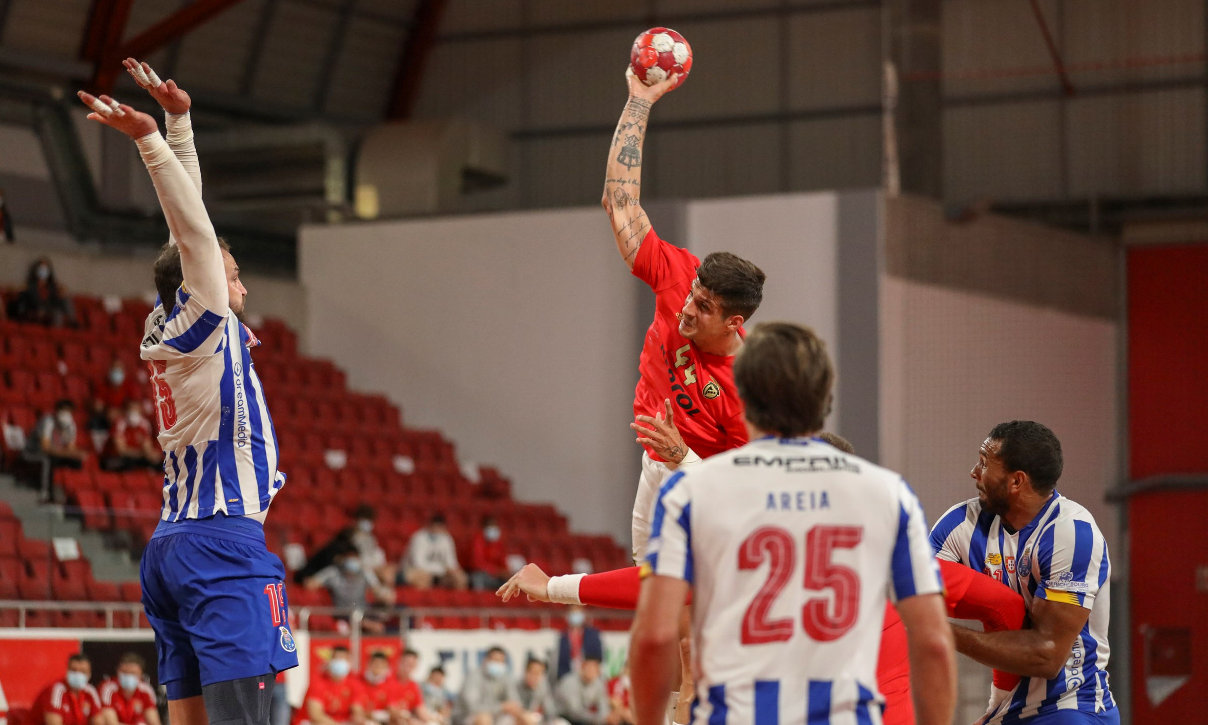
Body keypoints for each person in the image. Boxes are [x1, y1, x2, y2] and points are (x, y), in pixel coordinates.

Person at [77, 57, 297, 725]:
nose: (241, 288)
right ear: (203, 283)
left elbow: (186, 229)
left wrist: (180, 124)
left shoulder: (169, 318)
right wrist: (153, 138)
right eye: (232, 276)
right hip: (220, 544)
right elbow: (195, 235)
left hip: (171, 546)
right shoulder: (205, 321)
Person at [630, 322, 956, 725]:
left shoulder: (690, 492)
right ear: (826, 399)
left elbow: (654, 637)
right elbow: (934, 644)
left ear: (742, 397)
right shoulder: (888, 494)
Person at [600, 69, 767, 562]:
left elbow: (749, 489)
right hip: (656, 465)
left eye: (705, 308)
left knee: (694, 618)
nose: (687, 310)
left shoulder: (751, 389)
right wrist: (639, 99)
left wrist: (683, 456)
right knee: (656, 605)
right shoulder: (679, 277)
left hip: (707, 489)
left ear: (735, 323)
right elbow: (621, 201)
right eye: (693, 295)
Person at [930, 421, 1118, 724]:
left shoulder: (1071, 534)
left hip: (1069, 707)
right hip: (1006, 709)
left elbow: (1047, 656)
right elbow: (916, 594)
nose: (974, 472)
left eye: (983, 463)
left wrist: (935, 630)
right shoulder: (961, 522)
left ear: (1016, 481)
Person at [304, 545, 396, 634]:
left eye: (354, 557)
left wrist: (386, 593)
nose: (352, 561)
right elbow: (310, 583)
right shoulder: (333, 572)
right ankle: (368, 625)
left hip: (363, 611)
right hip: (342, 613)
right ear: (342, 559)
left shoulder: (364, 572)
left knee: (396, 612)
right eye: (349, 558)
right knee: (369, 624)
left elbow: (378, 590)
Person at [359, 651, 432, 725]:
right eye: (407, 663)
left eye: (412, 664)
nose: (409, 666)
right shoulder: (386, 680)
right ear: (399, 662)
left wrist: (432, 720)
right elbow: (390, 708)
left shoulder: (413, 685)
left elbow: (420, 709)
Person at [458, 648, 525, 725]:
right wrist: (501, 707)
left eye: (501, 661)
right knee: (484, 718)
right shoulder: (474, 676)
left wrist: (514, 707)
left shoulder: (505, 677)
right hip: (467, 716)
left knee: (524, 717)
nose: (498, 664)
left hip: (496, 715)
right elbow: (472, 707)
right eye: (496, 660)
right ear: (486, 660)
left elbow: (514, 701)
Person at [31, 653, 104, 725]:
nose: (78, 674)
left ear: (89, 674)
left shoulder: (90, 692)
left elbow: (98, 722)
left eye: (83, 671)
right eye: (74, 670)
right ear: (67, 671)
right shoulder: (56, 690)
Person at [303, 647, 367, 725]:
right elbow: (316, 715)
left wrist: (358, 717)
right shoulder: (318, 681)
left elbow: (357, 710)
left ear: (349, 662)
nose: (340, 662)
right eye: (337, 658)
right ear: (329, 661)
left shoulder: (354, 682)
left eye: (343, 659)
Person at [403, 514, 468, 590]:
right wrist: (443, 569)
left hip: (440, 574)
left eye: (439, 527)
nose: (437, 529)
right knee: (423, 578)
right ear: (429, 525)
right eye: (435, 527)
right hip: (417, 572)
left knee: (460, 578)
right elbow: (418, 564)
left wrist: (452, 571)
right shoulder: (419, 537)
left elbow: (452, 563)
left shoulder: (447, 538)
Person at [9, 257, 75, 327]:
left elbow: (58, 297)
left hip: (49, 309)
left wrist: (61, 291)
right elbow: (17, 291)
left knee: (60, 309)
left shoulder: (53, 286)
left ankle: (72, 321)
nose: (43, 271)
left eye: (45, 269)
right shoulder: (31, 286)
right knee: (48, 312)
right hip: (36, 309)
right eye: (41, 268)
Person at [98, 653, 161, 725]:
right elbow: (111, 723)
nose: (128, 676)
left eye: (133, 673)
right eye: (124, 672)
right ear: (117, 671)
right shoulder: (108, 689)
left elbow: (154, 722)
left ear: (141, 675)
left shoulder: (146, 691)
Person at [104, 399, 162, 472]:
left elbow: (147, 447)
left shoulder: (144, 424)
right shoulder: (119, 424)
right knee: (128, 463)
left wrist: (151, 455)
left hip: (135, 458)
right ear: (125, 411)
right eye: (131, 409)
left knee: (158, 463)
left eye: (135, 409)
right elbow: (121, 451)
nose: (133, 412)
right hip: (115, 458)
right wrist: (142, 454)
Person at [554, 657, 609, 725]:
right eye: (588, 669)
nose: (591, 672)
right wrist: (596, 719)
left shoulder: (598, 683)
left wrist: (603, 718)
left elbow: (604, 706)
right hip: (562, 716)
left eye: (594, 670)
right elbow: (574, 712)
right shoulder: (570, 682)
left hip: (584, 718)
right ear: (582, 669)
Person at [351, 504, 395, 585]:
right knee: (384, 575)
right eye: (365, 519)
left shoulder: (371, 538)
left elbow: (377, 554)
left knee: (391, 570)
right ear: (357, 520)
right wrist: (374, 568)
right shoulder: (352, 538)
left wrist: (380, 566)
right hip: (362, 569)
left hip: (375, 567)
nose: (368, 523)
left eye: (370, 520)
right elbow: (356, 559)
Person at [555, 606, 602, 681]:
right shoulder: (563, 636)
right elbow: (560, 661)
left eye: (578, 613)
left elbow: (598, 657)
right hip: (568, 674)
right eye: (573, 613)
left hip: (588, 672)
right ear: (568, 616)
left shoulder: (593, 634)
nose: (576, 616)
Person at [468, 516, 508, 591]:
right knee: (477, 577)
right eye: (490, 526)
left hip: (496, 576)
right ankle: (479, 600)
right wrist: (496, 571)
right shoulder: (477, 540)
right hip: (481, 574)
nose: (493, 529)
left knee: (511, 580)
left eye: (495, 526)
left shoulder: (498, 542)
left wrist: (505, 571)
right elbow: (477, 564)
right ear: (484, 528)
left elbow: (503, 562)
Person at [516, 659, 559, 724]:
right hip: (517, 717)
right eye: (532, 672)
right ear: (525, 671)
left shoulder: (543, 687)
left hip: (535, 718)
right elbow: (514, 707)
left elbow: (550, 710)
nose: (534, 676)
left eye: (538, 673)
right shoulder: (516, 684)